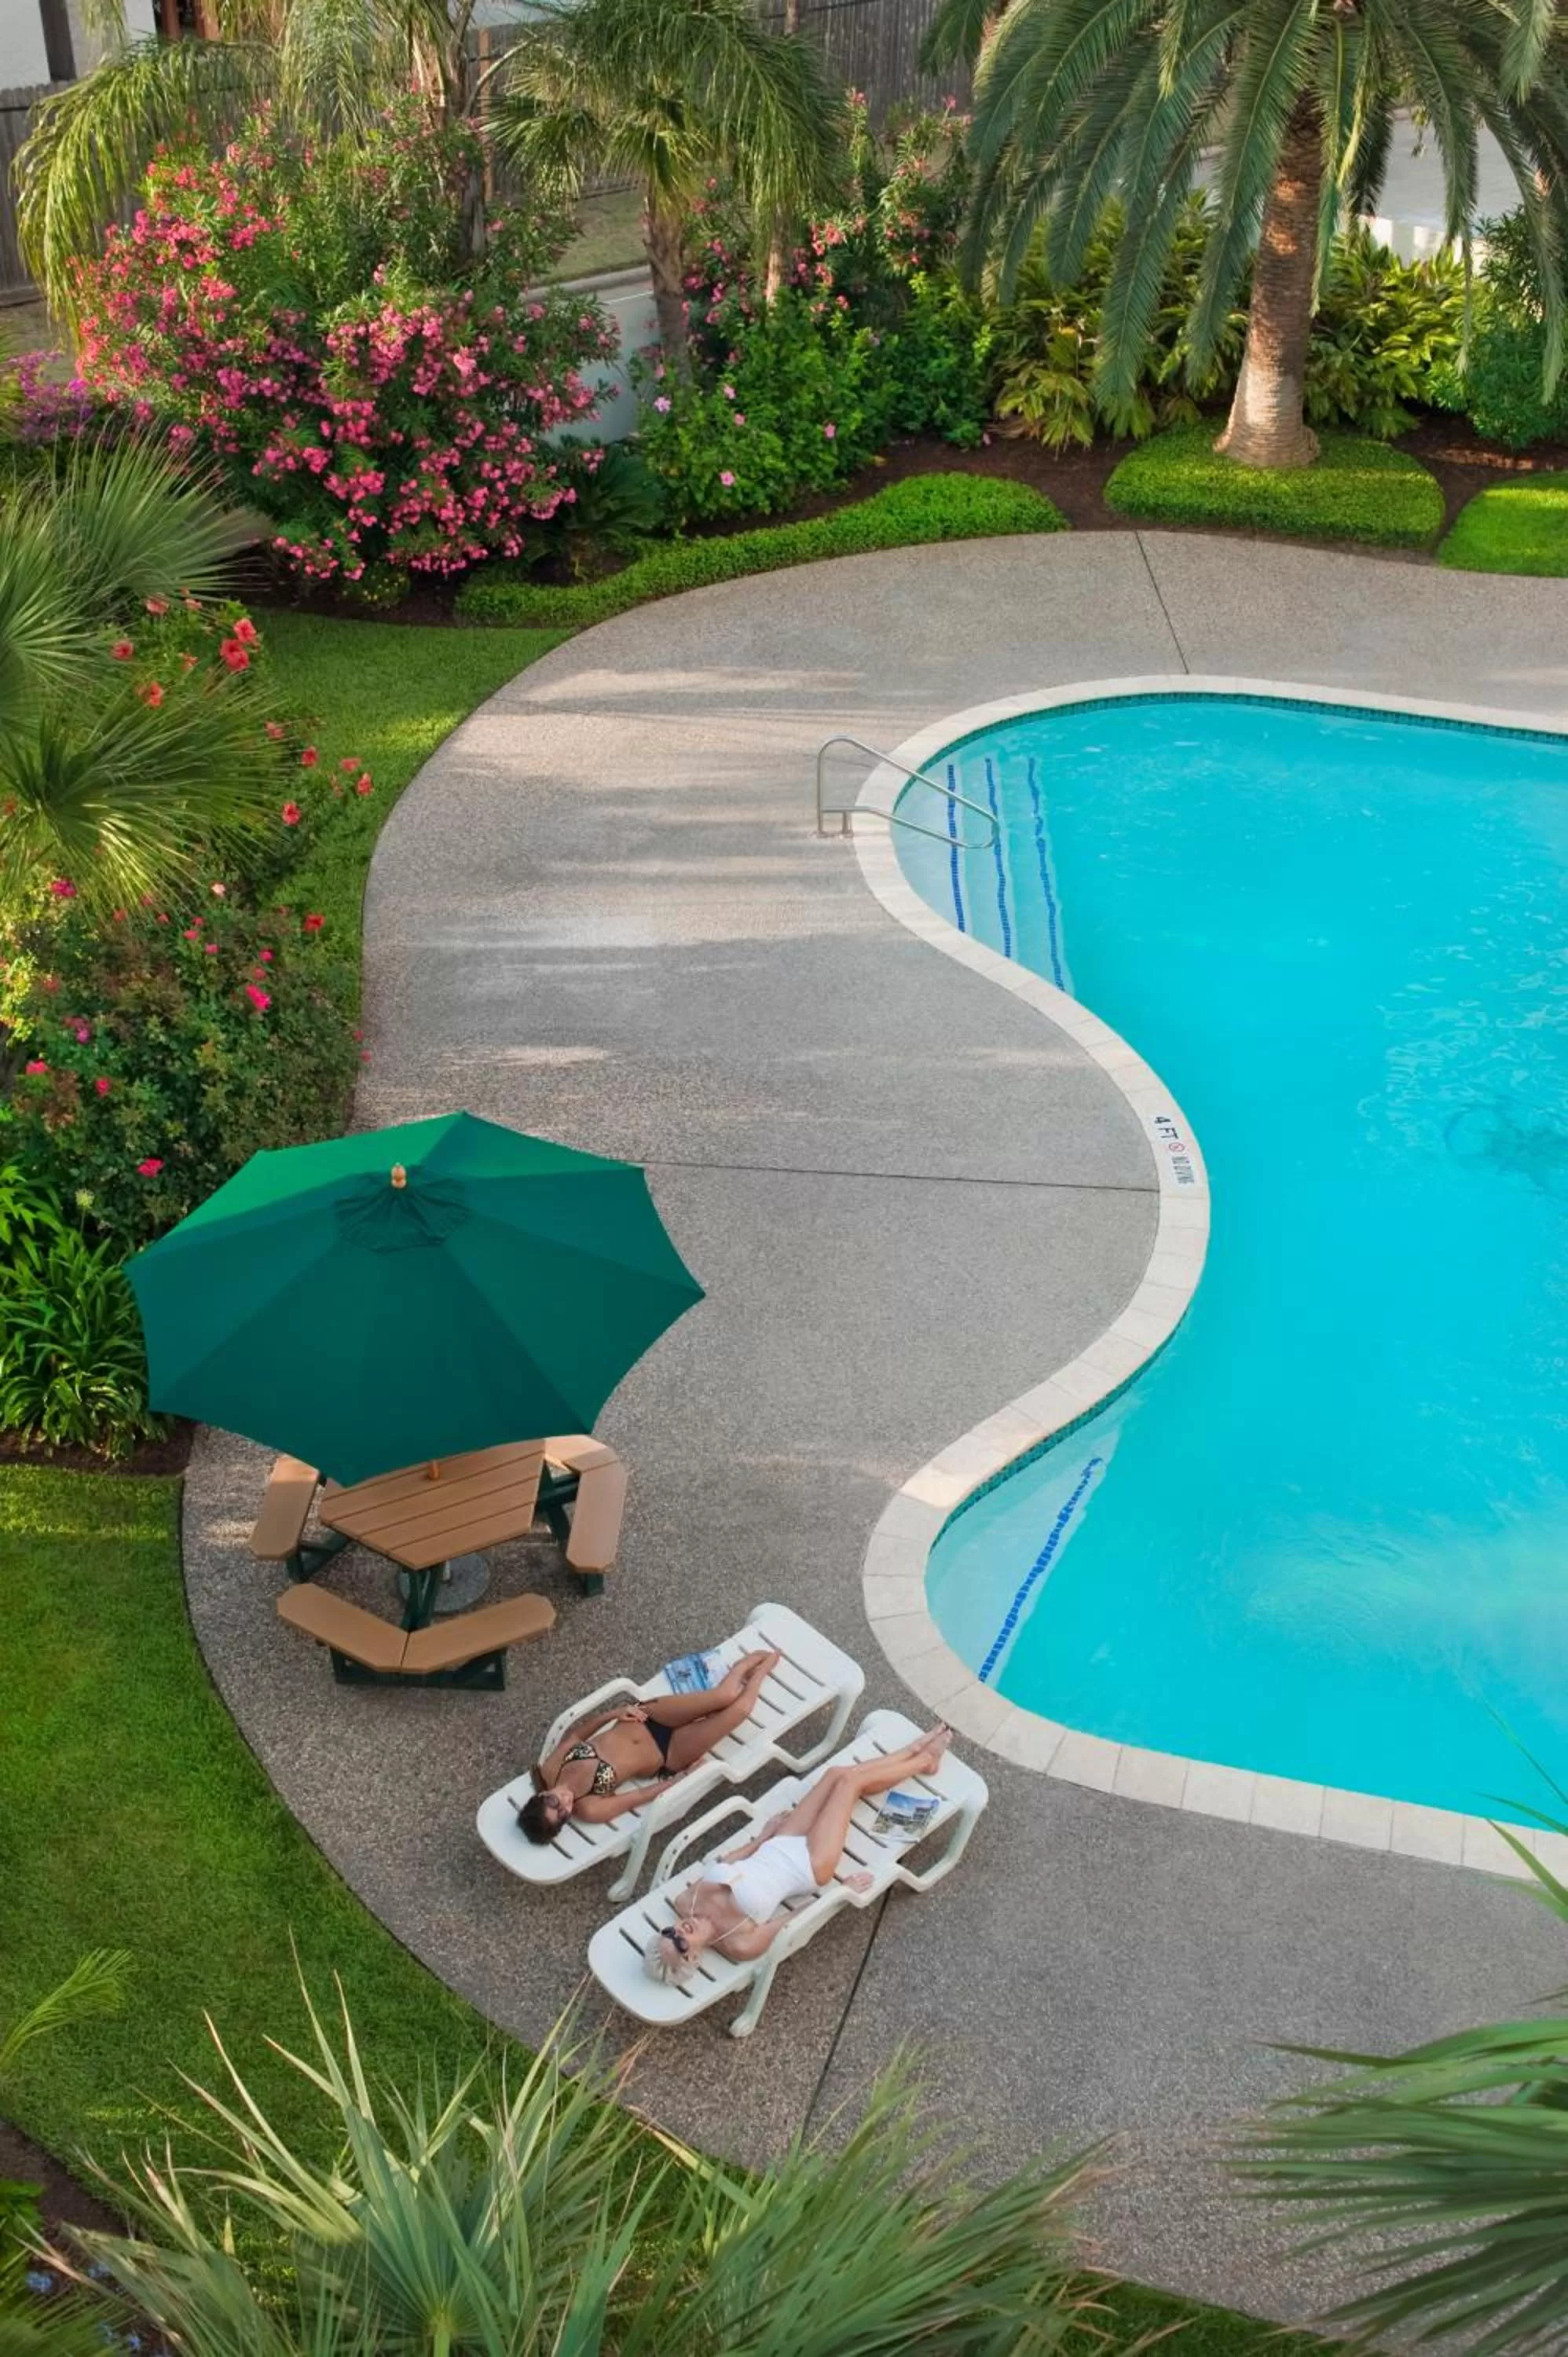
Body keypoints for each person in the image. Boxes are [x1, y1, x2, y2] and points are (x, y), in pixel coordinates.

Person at [645, 1725, 951, 1982]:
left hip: (779, 1842)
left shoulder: (686, 1902)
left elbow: (728, 1862)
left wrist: (764, 1836)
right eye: (681, 1944)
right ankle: (924, 1761)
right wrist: (840, 1893)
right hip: (810, 1865)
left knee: (835, 1775)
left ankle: (914, 1752)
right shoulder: (739, 1944)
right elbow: (792, 1922)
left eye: (669, 1933)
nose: (679, 1932)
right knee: (849, 1783)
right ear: (695, 1958)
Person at [517, 1648, 782, 1844]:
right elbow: (640, 1797)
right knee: (740, 1709)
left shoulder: (551, 1768)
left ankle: (742, 1667)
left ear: (539, 1796)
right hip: (669, 1752)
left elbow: (576, 1735)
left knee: (724, 1696)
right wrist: (682, 1778)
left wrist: (614, 1714)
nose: (565, 1802)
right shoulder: (589, 1809)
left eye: (553, 1801)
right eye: (563, 1814)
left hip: (647, 1717)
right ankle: (760, 1674)